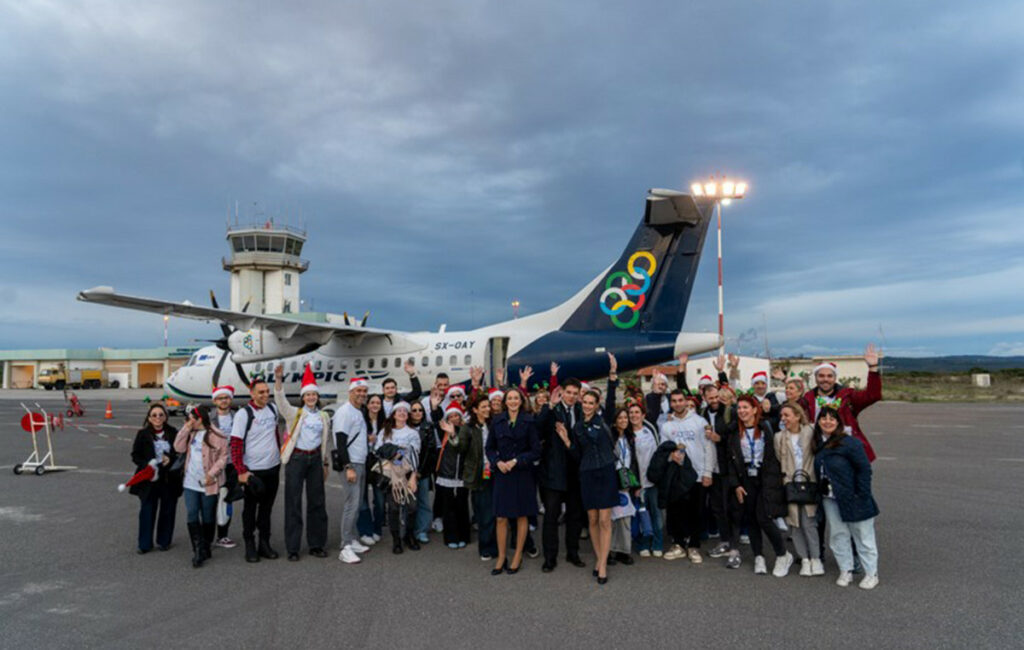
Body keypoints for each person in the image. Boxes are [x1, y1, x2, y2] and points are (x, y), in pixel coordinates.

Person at [723, 395, 792, 576]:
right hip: (745, 478)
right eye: (739, 408)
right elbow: (730, 461)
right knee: (751, 518)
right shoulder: (733, 432)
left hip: (765, 477)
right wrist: (736, 484)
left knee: (764, 517)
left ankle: (783, 554)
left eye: (746, 407)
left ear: (755, 409)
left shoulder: (766, 427)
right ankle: (758, 556)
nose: (742, 411)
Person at [814, 406, 880, 589]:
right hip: (830, 498)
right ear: (818, 422)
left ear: (839, 422)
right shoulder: (819, 444)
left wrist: (862, 494)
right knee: (838, 534)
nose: (827, 422)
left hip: (854, 497)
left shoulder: (850, 443)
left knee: (863, 535)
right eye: (823, 418)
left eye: (832, 419)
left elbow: (864, 469)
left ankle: (871, 573)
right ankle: (846, 570)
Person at [275, 364, 331, 561]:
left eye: (313, 395)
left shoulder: (324, 417)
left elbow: (324, 441)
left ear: (317, 397)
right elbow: (281, 403)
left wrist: (324, 463)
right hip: (297, 459)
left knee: (317, 502)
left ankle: (316, 544)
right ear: (303, 397)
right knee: (293, 503)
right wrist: (279, 382)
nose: (311, 398)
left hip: (315, 459)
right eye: (307, 395)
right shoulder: (295, 414)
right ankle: (293, 548)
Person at [564, 390, 619, 585]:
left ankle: (602, 564)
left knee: (605, 520)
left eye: (591, 403)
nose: (587, 405)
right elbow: (578, 455)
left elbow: (611, 403)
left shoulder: (604, 419)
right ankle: (599, 557)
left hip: (605, 473)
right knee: (592, 519)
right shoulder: (577, 427)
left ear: (597, 405)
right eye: (585, 402)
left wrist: (613, 377)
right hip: (587, 474)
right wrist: (567, 442)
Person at [486, 386, 541, 575]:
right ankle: (502, 556)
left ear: (521, 400)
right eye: (509, 398)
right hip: (503, 473)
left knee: (521, 515)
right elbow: (490, 448)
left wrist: (516, 461)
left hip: (522, 473)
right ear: (505, 401)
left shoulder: (529, 421)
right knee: (501, 517)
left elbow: (535, 450)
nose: (513, 401)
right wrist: (497, 461)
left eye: (516, 398)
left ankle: (517, 554)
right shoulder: (497, 421)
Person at [658, 388, 716, 563]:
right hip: (676, 477)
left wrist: (708, 473)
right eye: (674, 401)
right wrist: (670, 456)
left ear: (685, 401)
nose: (677, 404)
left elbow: (708, 448)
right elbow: (663, 450)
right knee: (676, 511)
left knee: (697, 512)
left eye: (680, 400)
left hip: (697, 475)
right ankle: (678, 544)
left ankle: (694, 547)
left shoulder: (699, 422)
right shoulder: (667, 426)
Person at [536, 377, 586, 573]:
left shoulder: (583, 411)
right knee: (551, 517)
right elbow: (538, 429)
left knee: (574, 517)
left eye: (575, 393)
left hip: (575, 473)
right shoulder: (552, 410)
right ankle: (550, 557)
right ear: (562, 392)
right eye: (569, 392)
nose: (572, 396)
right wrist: (549, 405)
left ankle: (573, 553)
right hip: (553, 473)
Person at [230, 379, 282, 563]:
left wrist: (279, 455)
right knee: (250, 510)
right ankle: (250, 544)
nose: (265, 395)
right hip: (253, 472)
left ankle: (264, 543)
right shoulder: (244, 414)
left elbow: (275, 434)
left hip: (273, 467)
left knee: (267, 509)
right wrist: (241, 471)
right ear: (252, 393)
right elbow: (235, 444)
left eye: (267, 391)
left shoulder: (273, 409)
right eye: (261, 392)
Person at [801, 344, 882, 462]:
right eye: (821, 376)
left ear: (835, 378)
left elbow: (873, 395)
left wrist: (873, 368)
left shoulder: (847, 396)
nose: (825, 379)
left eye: (829, 376)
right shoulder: (807, 398)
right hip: (817, 449)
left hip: (846, 450)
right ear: (816, 377)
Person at [174, 405, 228, 568]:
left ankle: (206, 545)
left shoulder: (217, 435)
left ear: (200, 419)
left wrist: (211, 474)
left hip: (208, 483)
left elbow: (223, 457)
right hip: (190, 482)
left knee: (208, 516)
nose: (189, 422)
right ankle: (197, 549)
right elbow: (178, 447)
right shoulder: (191, 433)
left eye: (192, 419)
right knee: (191, 514)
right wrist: (186, 428)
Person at [774, 401, 822, 576]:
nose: (783, 419)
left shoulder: (811, 431)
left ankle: (816, 558)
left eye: (787, 415)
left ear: (797, 416)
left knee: (809, 522)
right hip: (791, 485)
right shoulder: (779, 437)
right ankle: (804, 559)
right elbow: (780, 459)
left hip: (810, 482)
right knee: (794, 524)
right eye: (781, 416)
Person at [129, 404, 181, 554]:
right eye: (154, 415)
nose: (158, 418)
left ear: (165, 417)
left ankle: (164, 541)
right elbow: (135, 455)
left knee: (168, 509)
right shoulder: (143, 434)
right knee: (147, 510)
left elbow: (179, 452)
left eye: (161, 415)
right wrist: (147, 465)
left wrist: (170, 459)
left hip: (168, 478)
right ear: (149, 418)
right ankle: (144, 544)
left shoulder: (173, 433)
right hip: (148, 479)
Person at [333, 376, 371, 564]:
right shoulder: (345, 412)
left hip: (360, 462)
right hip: (351, 464)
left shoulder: (359, 411)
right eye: (358, 391)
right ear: (350, 392)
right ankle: (345, 546)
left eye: (364, 391)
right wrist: (348, 467)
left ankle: (352, 538)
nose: (362, 394)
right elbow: (340, 441)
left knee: (357, 504)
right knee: (351, 504)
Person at [375, 401, 421, 553]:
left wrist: (414, 476)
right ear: (394, 414)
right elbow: (378, 451)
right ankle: (396, 540)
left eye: (405, 411)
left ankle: (409, 535)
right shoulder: (385, 432)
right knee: (393, 508)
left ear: (408, 416)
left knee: (412, 508)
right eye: (398, 411)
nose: (402, 413)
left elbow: (415, 455)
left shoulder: (413, 433)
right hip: (390, 475)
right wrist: (397, 452)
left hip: (407, 474)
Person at [460, 394, 497, 561]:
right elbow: (462, 450)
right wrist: (454, 437)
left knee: (496, 512)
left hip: (496, 471)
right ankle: (485, 547)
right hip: (479, 475)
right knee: (484, 513)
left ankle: (495, 544)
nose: (488, 409)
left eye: (488, 406)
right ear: (475, 410)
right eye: (483, 407)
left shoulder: (493, 424)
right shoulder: (468, 428)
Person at [701, 384, 735, 559]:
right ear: (705, 398)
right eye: (711, 398)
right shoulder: (702, 415)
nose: (714, 401)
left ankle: (732, 544)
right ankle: (724, 540)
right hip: (711, 468)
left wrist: (719, 438)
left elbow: (735, 434)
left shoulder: (729, 412)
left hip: (728, 468)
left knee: (729, 506)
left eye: (716, 397)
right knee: (717, 507)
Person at [435, 402, 471, 548]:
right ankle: (451, 537)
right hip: (446, 474)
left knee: (462, 506)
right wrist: (434, 406)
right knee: (448, 508)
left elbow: (463, 449)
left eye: (456, 415)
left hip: (463, 474)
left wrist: (454, 433)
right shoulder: (442, 431)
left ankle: (464, 536)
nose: (454, 418)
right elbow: (435, 417)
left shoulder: (467, 431)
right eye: (451, 416)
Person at [629, 402, 663, 558]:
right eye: (631, 413)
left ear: (643, 415)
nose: (634, 415)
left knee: (656, 514)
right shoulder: (627, 434)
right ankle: (643, 544)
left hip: (653, 481)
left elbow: (658, 454)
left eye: (637, 412)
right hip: (636, 483)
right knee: (640, 514)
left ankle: (657, 543)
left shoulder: (650, 431)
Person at [211, 385, 238, 549]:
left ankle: (223, 535)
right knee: (210, 500)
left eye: (226, 398)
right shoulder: (209, 418)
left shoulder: (238, 416)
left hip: (232, 464)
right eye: (221, 398)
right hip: (214, 465)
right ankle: (207, 533)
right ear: (215, 401)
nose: (224, 401)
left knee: (227, 499)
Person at [358, 393, 387, 546]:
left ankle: (377, 529)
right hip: (363, 462)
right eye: (372, 402)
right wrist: (366, 438)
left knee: (380, 501)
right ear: (367, 405)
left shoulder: (385, 423)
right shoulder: (361, 420)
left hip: (379, 465)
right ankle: (365, 531)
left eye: (378, 403)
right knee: (362, 500)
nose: (375, 405)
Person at [408, 400, 437, 544]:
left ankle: (423, 530)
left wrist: (419, 471)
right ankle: (409, 530)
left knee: (423, 501)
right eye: (414, 410)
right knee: (408, 502)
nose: (418, 413)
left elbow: (430, 451)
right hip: (406, 472)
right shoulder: (404, 427)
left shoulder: (428, 427)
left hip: (423, 472)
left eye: (420, 410)